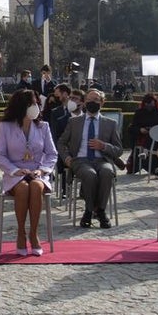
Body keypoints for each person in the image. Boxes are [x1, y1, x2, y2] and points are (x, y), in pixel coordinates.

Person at [0, 89, 57, 255]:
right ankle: (21, 232)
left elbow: (52, 153)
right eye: (32, 104)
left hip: (37, 171)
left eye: (37, 103)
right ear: (22, 106)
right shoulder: (6, 126)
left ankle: (34, 233)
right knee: (23, 188)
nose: (36, 107)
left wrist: (42, 170)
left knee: (36, 187)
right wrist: (15, 170)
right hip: (15, 173)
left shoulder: (43, 127)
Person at [57, 88, 122, 229]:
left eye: (96, 100)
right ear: (85, 102)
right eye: (89, 100)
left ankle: (100, 210)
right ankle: (89, 210)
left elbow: (119, 150)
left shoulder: (110, 123)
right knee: (90, 174)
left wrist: (103, 146)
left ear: (102, 103)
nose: (92, 102)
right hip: (81, 160)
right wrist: (66, 158)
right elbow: (61, 143)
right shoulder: (74, 122)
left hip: (102, 160)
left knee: (107, 172)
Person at [128, 93, 158, 174]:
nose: (149, 105)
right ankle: (145, 154)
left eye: (151, 103)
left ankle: (147, 155)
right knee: (147, 138)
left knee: (153, 137)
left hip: (156, 136)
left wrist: (154, 129)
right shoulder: (139, 112)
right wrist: (140, 129)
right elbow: (132, 127)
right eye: (147, 103)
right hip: (142, 135)